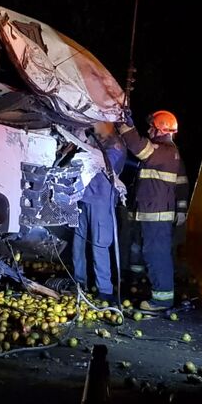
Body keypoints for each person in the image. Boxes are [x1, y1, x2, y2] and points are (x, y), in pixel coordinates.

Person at [117, 110, 189, 310]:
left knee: (156, 254)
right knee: (140, 251)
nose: (149, 130)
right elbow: (182, 183)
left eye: (152, 127)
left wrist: (125, 125)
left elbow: (139, 147)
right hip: (149, 213)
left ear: (162, 130)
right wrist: (182, 209)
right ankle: (141, 285)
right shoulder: (172, 153)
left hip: (156, 215)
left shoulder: (163, 151)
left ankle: (162, 299)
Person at [72, 122, 126, 304]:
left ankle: (105, 290)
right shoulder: (97, 141)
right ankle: (79, 285)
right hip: (84, 198)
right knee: (78, 243)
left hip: (102, 202)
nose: (93, 125)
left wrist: (82, 142)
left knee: (99, 244)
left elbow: (100, 162)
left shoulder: (116, 145)